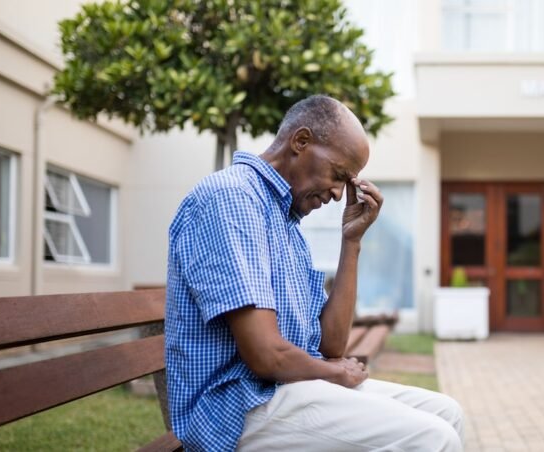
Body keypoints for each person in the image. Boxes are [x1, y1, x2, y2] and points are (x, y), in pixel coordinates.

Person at [165, 95, 464, 451]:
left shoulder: (285, 221)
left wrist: (350, 241)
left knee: (448, 412)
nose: (339, 193)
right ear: (301, 141)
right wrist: (335, 373)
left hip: (284, 389)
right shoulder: (232, 198)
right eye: (339, 175)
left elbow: (330, 344)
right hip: (234, 408)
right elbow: (265, 356)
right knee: (434, 438)